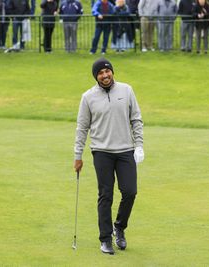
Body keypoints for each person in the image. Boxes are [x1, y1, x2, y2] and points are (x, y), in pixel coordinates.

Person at [74, 58, 144, 255]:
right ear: (96, 77)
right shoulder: (88, 97)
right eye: (101, 73)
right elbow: (82, 128)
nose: (105, 75)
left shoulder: (126, 90)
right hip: (102, 151)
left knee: (130, 191)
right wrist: (78, 155)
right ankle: (105, 239)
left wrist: (139, 145)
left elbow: (136, 119)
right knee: (106, 195)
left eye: (108, 72)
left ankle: (119, 227)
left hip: (125, 151)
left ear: (112, 72)